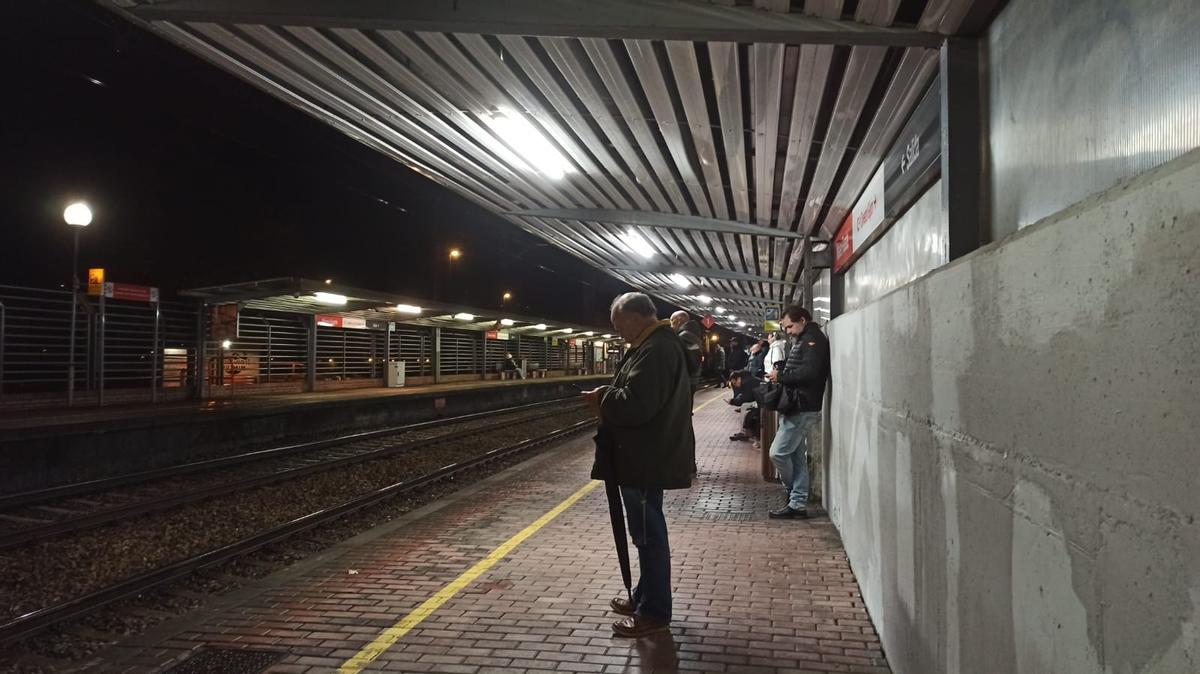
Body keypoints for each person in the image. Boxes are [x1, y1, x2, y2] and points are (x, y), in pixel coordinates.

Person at [582, 292, 694, 637]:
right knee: (647, 534)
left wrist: (602, 396)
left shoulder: (656, 349)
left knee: (649, 538)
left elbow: (636, 406)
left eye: (620, 326)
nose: (619, 333)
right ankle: (644, 597)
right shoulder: (655, 344)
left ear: (636, 317)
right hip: (647, 455)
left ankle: (655, 613)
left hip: (645, 458)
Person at [766, 306, 830, 519]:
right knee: (797, 457)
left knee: (778, 453)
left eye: (790, 326)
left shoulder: (813, 340)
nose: (788, 331)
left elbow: (809, 372)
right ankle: (797, 504)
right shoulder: (805, 338)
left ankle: (794, 491)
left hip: (803, 406)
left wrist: (781, 376)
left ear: (803, 320)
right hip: (797, 404)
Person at [669, 310, 703, 394]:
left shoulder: (685, 336)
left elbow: (692, 362)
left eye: (672, 321)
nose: (671, 325)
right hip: (689, 381)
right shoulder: (692, 334)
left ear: (679, 320)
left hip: (686, 383)